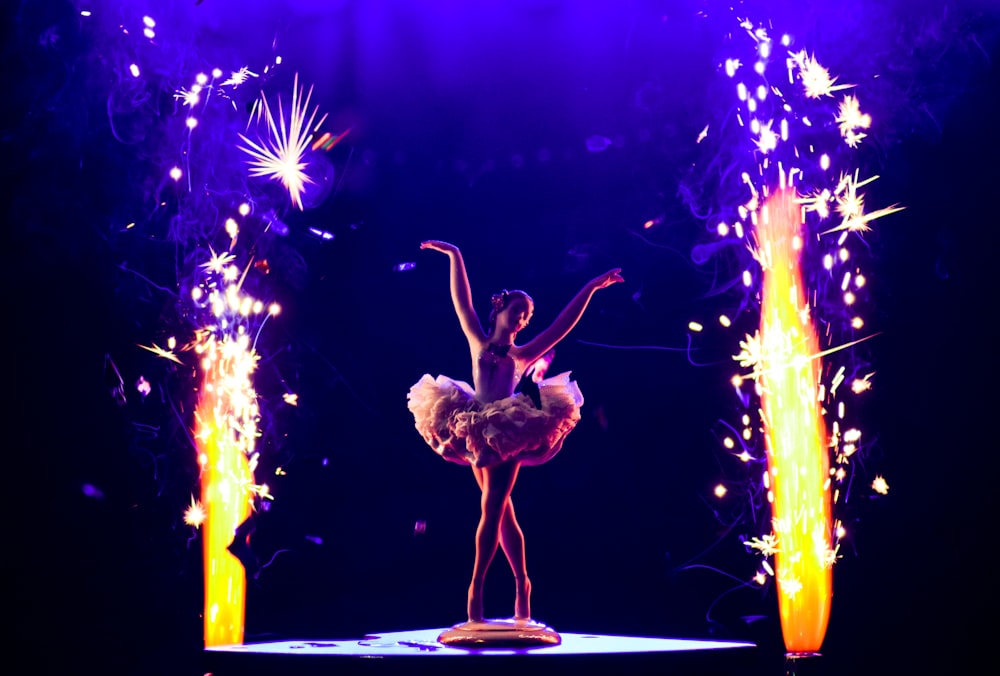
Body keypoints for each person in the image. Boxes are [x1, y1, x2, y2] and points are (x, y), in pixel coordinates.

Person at [407, 240, 623, 626]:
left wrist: (590, 287)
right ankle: (523, 583)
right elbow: (462, 301)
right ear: (501, 309)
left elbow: (562, 325)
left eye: (527, 316)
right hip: (473, 423)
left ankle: (476, 587)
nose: (523, 319)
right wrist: (455, 253)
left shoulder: (522, 355)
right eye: (519, 311)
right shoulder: (477, 338)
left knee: (492, 506)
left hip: (507, 429)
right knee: (502, 511)